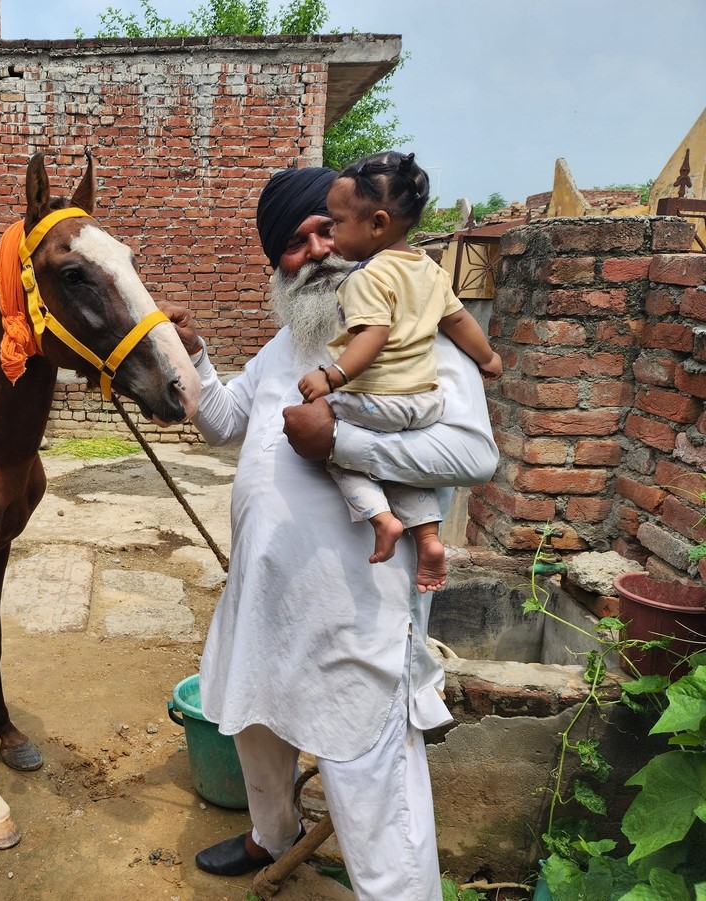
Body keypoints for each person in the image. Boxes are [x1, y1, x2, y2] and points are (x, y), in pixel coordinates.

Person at [160, 164, 498, 900]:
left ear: (363, 231)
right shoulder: (291, 340)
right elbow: (222, 419)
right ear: (275, 262)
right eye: (293, 241)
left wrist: (343, 444)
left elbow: (475, 453)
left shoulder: (416, 327)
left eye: (325, 228)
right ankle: (270, 835)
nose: (315, 250)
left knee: (369, 778)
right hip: (265, 595)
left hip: (356, 612)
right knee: (256, 724)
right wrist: (194, 351)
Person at [295, 151, 502, 595]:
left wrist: (331, 378)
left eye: (337, 222)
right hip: (424, 401)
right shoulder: (429, 269)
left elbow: (373, 335)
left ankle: (382, 518)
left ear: (377, 224)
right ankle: (428, 537)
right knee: (398, 466)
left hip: (376, 398)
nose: (331, 234)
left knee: (327, 442)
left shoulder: (364, 278)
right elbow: (460, 320)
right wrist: (488, 358)